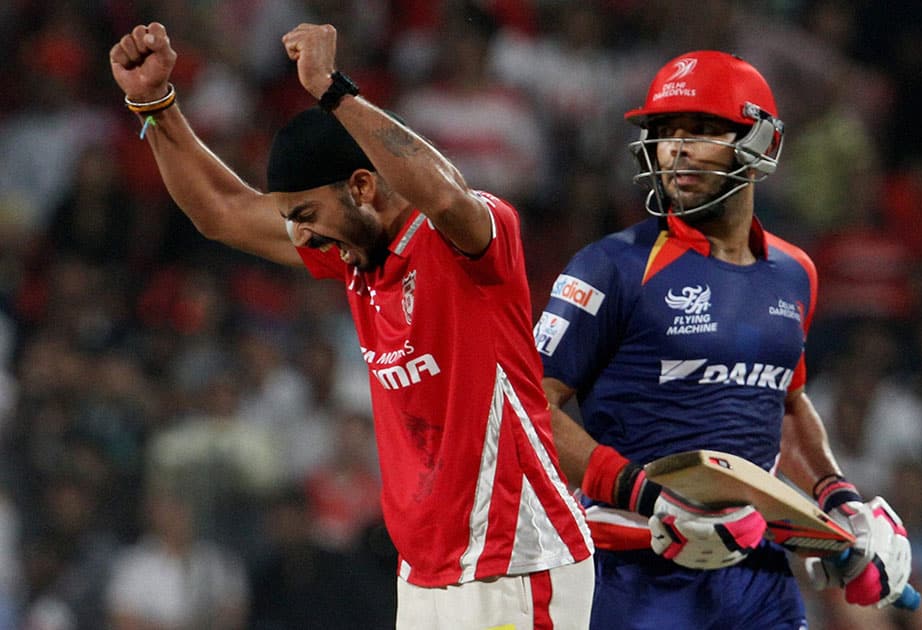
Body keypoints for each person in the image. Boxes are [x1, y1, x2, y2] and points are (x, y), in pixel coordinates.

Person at [108, 20, 594, 630]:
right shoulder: (352, 258)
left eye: (308, 213)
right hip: (424, 572)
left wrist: (334, 91)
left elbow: (445, 196)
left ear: (363, 186)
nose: (303, 235)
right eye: (292, 220)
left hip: (517, 562)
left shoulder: (469, 243)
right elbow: (223, 212)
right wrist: (154, 105)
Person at [534, 50, 913, 629]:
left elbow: (781, 401)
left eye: (703, 130)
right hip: (634, 569)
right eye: (664, 133)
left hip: (757, 578)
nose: (677, 148)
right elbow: (531, 405)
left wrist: (843, 506)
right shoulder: (611, 265)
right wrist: (650, 498)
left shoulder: (795, 273)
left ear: (763, 143)